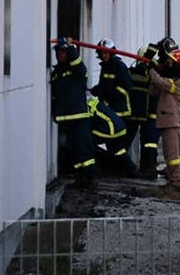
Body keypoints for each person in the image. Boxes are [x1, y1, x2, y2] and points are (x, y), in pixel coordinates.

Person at [50, 37, 97, 188]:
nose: (60, 55)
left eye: (63, 52)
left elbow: (79, 66)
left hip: (79, 117)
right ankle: (79, 178)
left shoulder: (76, 70)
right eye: (58, 52)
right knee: (73, 150)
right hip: (65, 118)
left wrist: (71, 48)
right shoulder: (57, 72)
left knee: (83, 148)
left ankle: (89, 178)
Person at [149, 48, 180, 195]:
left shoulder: (178, 83)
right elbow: (153, 90)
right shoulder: (168, 80)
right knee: (168, 155)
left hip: (172, 122)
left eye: (171, 61)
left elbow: (161, 82)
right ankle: (172, 181)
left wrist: (152, 71)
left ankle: (177, 183)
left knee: (173, 156)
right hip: (166, 121)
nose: (167, 63)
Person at [129, 44, 160, 179]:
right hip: (144, 114)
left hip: (149, 114)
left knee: (149, 143)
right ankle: (145, 168)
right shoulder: (142, 71)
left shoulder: (150, 72)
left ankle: (149, 169)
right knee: (147, 142)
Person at [87, 97, 137, 177]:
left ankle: (95, 171)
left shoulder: (86, 106)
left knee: (86, 143)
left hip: (109, 130)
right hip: (120, 129)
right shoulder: (94, 101)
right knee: (119, 150)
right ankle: (132, 169)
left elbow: (86, 125)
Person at [90, 38, 133, 123]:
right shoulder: (105, 66)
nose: (103, 55)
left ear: (111, 52)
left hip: (120, 111)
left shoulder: (119, 65)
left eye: (105, 52)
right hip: (109, 109)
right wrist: (97, 90)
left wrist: (108, 94)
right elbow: (105, 85)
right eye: (101, 53)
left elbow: (126, 87)